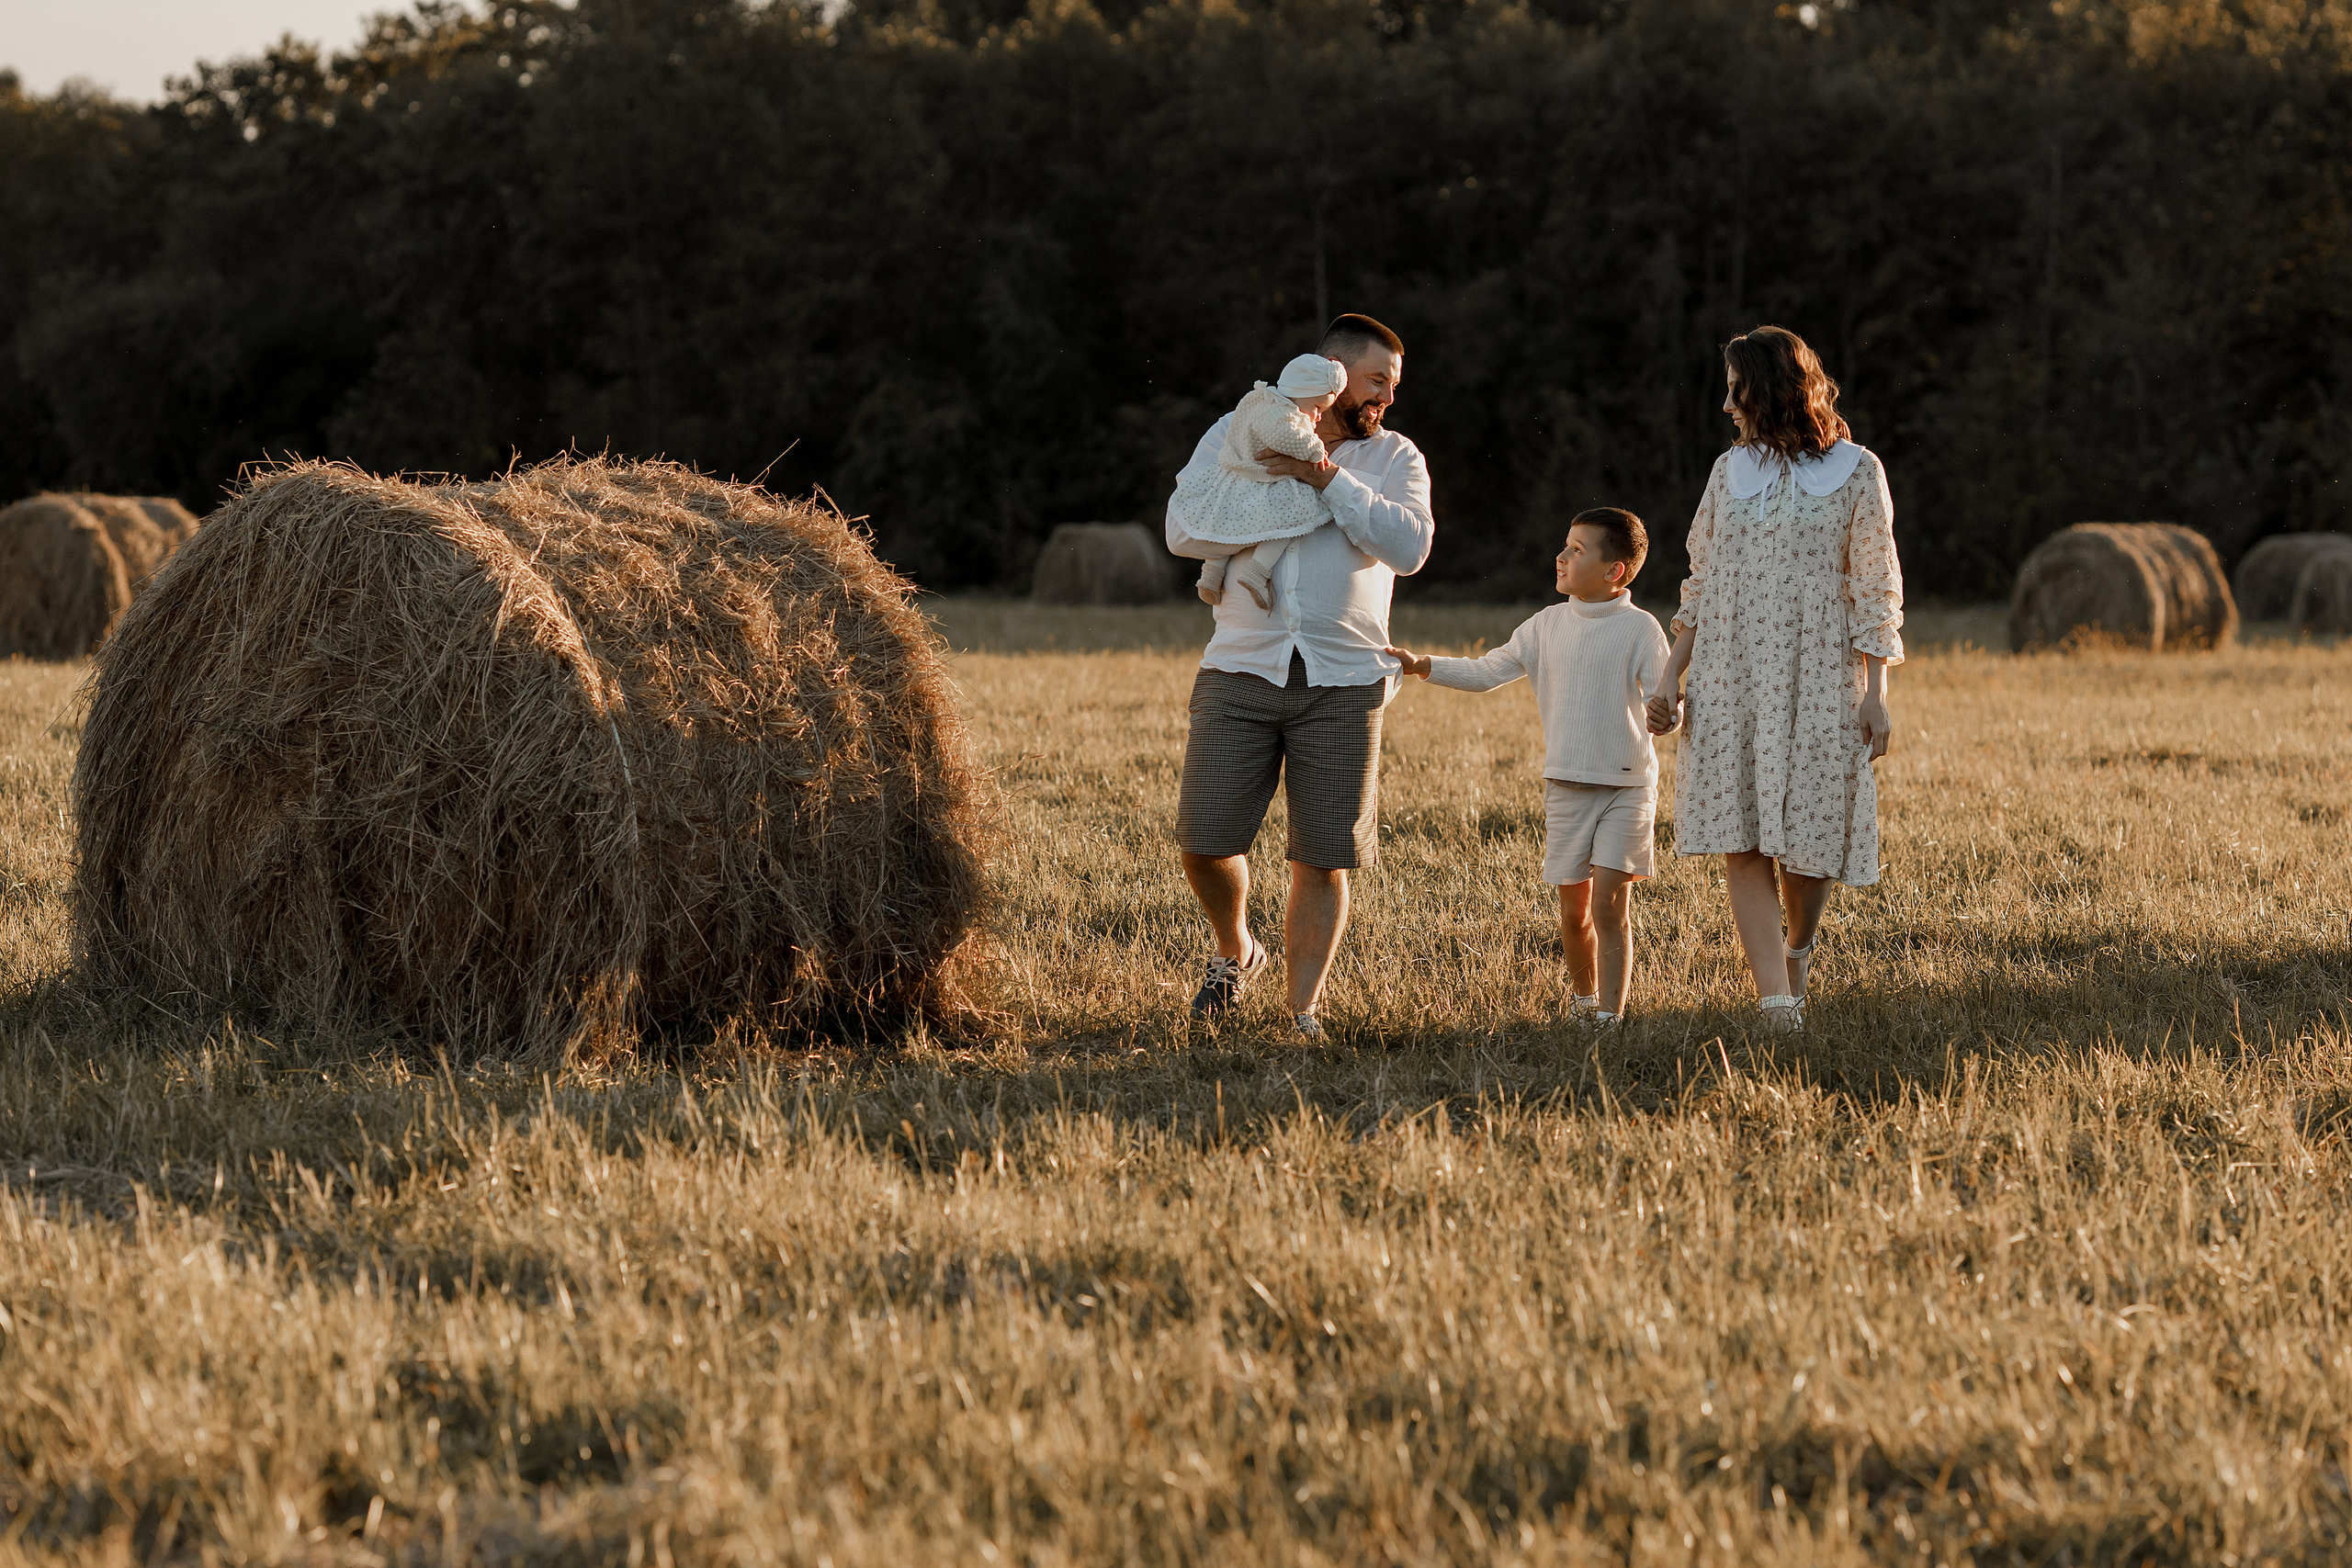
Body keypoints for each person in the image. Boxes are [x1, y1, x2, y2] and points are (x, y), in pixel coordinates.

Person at [1165, 313, 1433, 1040]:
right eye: (1377, 380)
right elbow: (1182, 529)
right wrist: (1267, 495)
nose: (1388, 396)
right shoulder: (1240, 429)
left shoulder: (1396, 457)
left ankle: (1301, 1011)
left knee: (1323, 856)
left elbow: (1409, 547)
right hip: (1240, 664)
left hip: (1346, 677)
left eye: (1394, 385)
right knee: (1203, 841)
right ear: (1333, 373)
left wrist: (1325, 479)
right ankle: (1236, 950)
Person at [1644, 325, 1904, 1034]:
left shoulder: (1858, 470)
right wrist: (1670, 678)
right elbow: (1702, 582)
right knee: (1744, 836)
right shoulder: (1728, 472)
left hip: (1821, 671)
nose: (1727, 406)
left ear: (1773, 390)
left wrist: (1876, 694)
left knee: (1812, 842)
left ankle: (1799, 947)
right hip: (1731, 670)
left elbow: (1876, 586)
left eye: (1737, 390)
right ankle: (1777, 1005)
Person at [1384, 509, 1670, 1026]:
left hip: (1627, 787)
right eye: (1565, 545)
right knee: (1574, 913)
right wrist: (1424, 665)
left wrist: (1668, 715)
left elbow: (1661, 700)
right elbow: (1487, 671)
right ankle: (1584, 1004)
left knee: (1609, 905)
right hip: (1566, 788)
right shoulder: (1545, 625)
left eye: (1577, 550)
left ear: (1615, 571)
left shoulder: (1641, 629)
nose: (1560, 557)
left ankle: (1611, 1016)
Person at [1189, 354, 1351, 611]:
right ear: (1302, 392)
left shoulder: (1259, 399)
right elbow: (1283, 436)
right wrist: (1314, 449)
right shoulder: (1280, 412)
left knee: (1227, 524)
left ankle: (1211, 573)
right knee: (1289, 521)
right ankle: (1257, 571)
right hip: (1261, 479)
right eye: (1318, 408)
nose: (1319, 417)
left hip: (1237, 478)